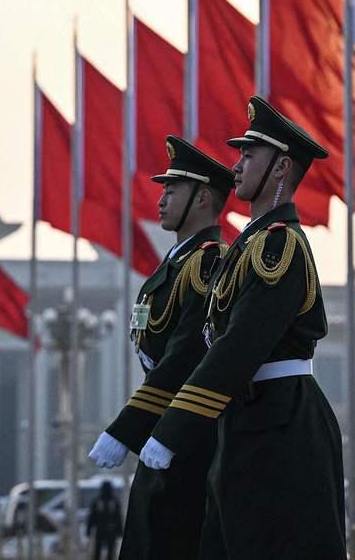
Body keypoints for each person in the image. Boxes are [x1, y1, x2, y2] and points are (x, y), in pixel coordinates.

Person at [141, 96, 346, 560]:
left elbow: (238, 347)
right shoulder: (248, 246)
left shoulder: (279, 247)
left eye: (249, 156)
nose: (236, 166)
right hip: (248, 419)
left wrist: (172, 427)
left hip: (283, 424)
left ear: (281, 168)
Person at [88, 135, 231, 560]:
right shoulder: (175, 263)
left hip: (191, 430)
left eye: (173, 190)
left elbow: (186, 356)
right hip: (164, 420)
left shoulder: (208, 261)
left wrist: (124, 427)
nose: (162, 199)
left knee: (175, 536)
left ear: (202, 198)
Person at [85, 480, 124, 560]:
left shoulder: (97, 501)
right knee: (109, 551)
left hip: (101, 529)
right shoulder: (114, 501)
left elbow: (92, 517)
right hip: (110, 529)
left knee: (98, 551)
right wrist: (120, 531)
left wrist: (89, 529)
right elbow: (118, 517)